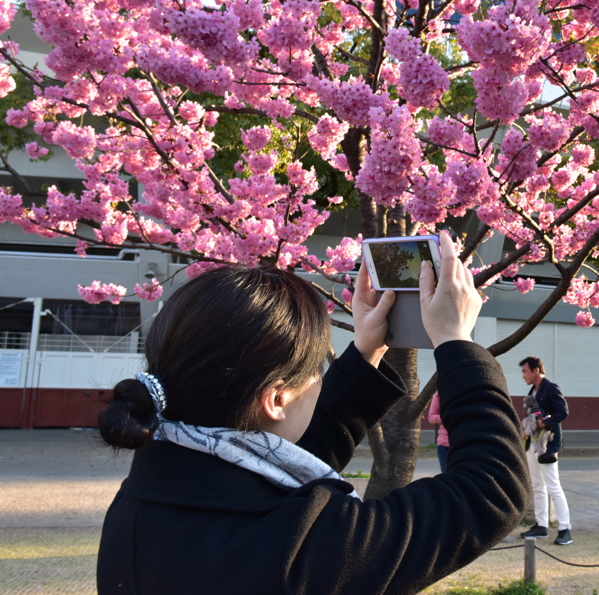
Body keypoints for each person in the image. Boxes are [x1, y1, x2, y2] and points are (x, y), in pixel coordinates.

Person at [95, 232, 529, 595]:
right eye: (316, 370)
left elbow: (276, 475)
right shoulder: (300, 553)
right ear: (276, 399)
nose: (320, 381)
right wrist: (457, 342)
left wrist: (365, 351)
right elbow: (492, 491)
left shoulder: (142, 499)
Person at [518, 356, 572, 546]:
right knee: (536, 484)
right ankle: (541, 525)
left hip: (548, 443)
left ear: (536, 370)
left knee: (553, 486)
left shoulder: (551, 387)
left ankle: (565, 529)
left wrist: (544, 422)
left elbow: (563, 411)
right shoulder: (534, 390)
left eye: (525, 371)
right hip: (533, 442)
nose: (523, 375)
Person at [427, 390, 450, 472]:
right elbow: (431, 416)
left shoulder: (468, 390)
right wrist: (446, 418)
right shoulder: (439, 394)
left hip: (464, 444)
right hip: (444, 445)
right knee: (446, 476)